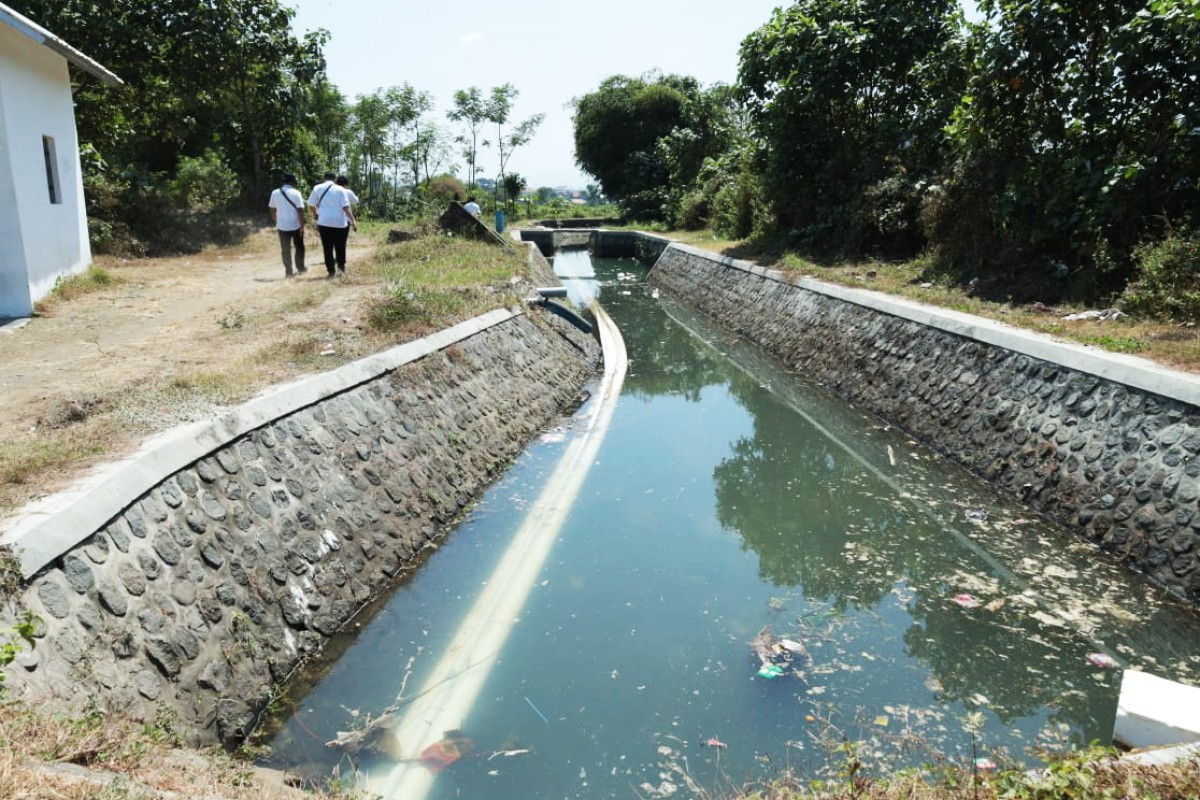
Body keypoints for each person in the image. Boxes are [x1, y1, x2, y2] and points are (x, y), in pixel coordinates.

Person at [307, 171, 353, 278]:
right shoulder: (341, 189)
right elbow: (345, 207)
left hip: (324, 223)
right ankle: (341, 269)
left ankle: (331, 272)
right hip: (340, 223)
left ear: (324, 178)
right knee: (340, 246)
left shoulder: (317, 188)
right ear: (335, 179)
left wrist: (315, 215)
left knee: (327, 247)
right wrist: (353, 220)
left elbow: (311, 204)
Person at [268, 173, 306, 277]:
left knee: (285, 249)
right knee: (299, 247)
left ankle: (288, 271)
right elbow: (300, 211)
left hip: (282, 226)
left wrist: (276, 220)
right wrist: (302, 226)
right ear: (292, 181)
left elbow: (272, 209)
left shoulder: (275, 192)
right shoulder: (296, 193)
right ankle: (301, 268)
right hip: (295, 225)